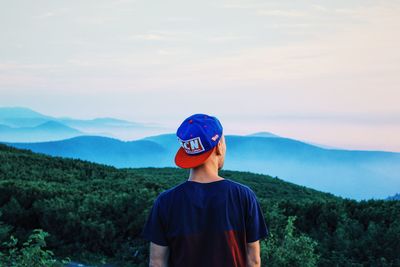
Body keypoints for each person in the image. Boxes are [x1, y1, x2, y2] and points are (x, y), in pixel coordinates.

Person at [141, 114, 268, 267]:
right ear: (219, 146)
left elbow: (157, 263)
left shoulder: (165, 202)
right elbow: (253, 261)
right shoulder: (243, 196)